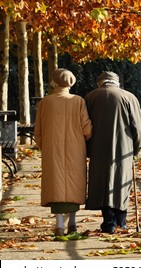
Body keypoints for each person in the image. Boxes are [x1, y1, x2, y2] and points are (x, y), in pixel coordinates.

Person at [85, 71, 141, 234]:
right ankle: (121, 221)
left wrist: (86, 147)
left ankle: (108, 222)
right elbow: (139, 128)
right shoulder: (129, 97)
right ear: (116, 82)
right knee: (121, 182)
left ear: (100, 82)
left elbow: (84, 125)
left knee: (103, 183)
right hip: (123, 147)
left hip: (97, 147)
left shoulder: (90, 97)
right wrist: (136, 148)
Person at [34, 68, 92, 236]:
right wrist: (85, 140)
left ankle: (59, 225)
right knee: (75, 183)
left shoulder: (45, 102)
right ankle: (72, 224)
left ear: (54, 82)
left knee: (56, 184)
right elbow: (86, 128)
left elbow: (38, 131)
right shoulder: (78, 101)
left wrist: (44, 147)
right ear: (71, 83)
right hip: (76, 149)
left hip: (52, 149)